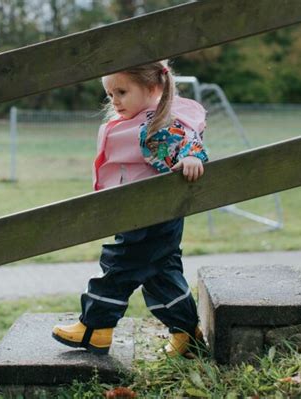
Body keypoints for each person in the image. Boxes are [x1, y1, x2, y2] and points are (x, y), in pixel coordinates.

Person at [52, 61, 209, 357]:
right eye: (110, 94)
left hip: (153, 216)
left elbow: (190, 143)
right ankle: (187, 332)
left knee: (120, 266)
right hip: (141, 214)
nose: (114, 100)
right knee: (162, 276)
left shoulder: (158, 126)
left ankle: (95, 326)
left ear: (153, 87)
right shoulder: (138, 121)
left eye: (122, 91)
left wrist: (191, 159)